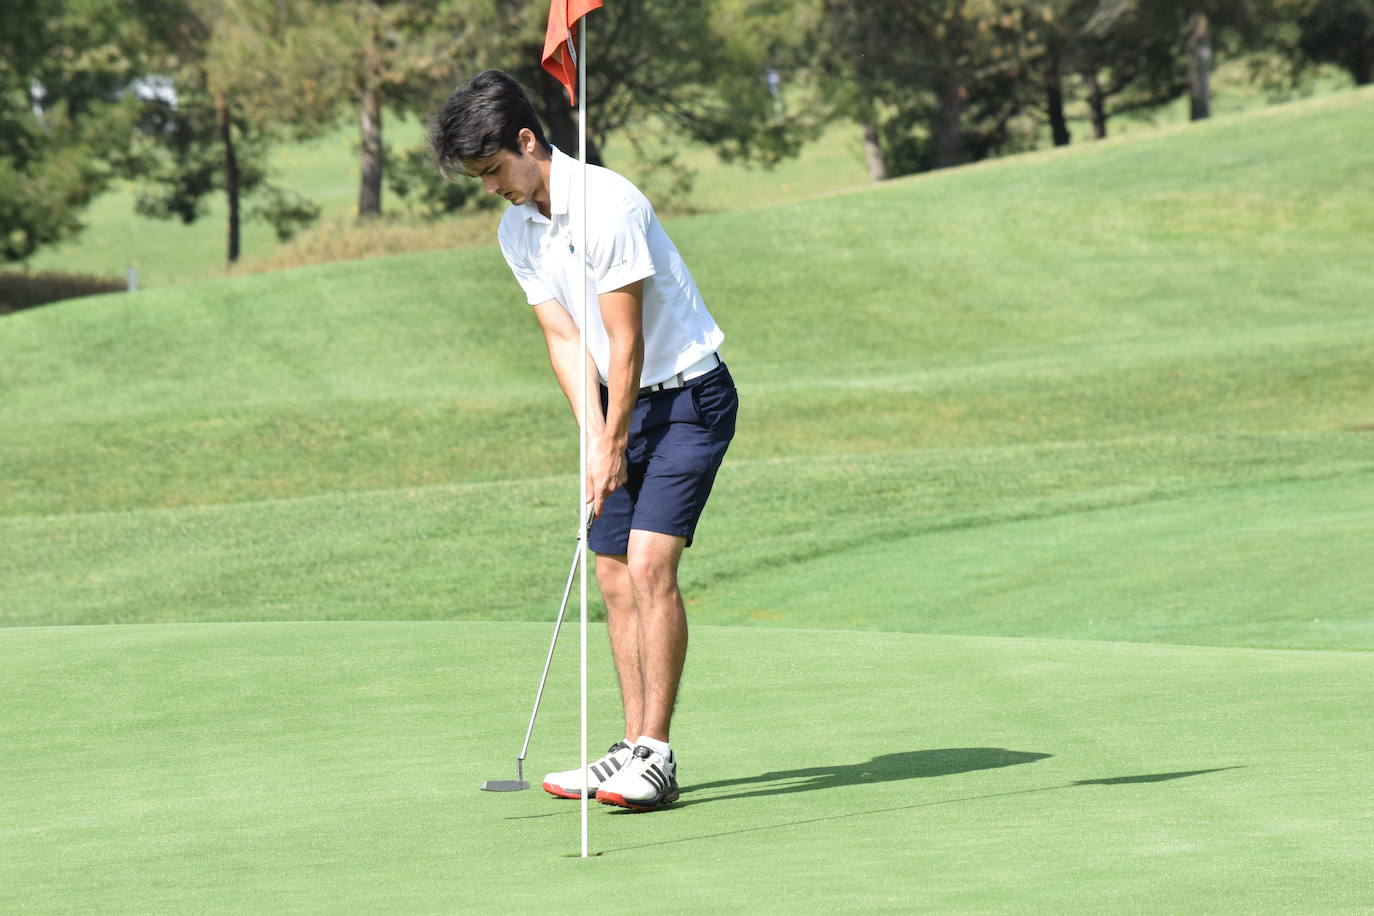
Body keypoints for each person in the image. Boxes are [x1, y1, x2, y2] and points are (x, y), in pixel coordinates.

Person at [430, 70, 738, 812]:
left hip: (687, 398)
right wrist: (593, 433)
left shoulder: (609, 204)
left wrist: (613, 443)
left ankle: (656, 755)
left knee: (648, 561)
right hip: (613, 404)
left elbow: (624, 342)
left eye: (495, 169)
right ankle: (629, 746)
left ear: (528, 141)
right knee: (610, 575)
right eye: (479, 178)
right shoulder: (517, 230)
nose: (492, 188)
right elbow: (566, 340)